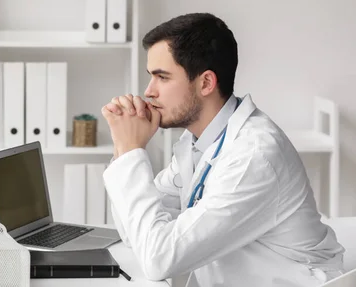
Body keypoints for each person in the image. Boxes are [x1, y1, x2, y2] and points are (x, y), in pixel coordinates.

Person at [101, 12, 345, 287]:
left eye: (162, 77)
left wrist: (132, 152)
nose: (149, 91)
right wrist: (124, 148)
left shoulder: (254, 156)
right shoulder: (199, 143)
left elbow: (159, 259)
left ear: (205, 82)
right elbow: (136, 234)